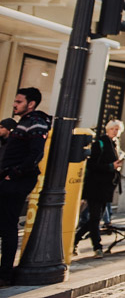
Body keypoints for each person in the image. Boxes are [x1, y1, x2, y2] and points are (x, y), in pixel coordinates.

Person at [0, 88, 51, 285]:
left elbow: (36, 154)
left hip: (16, 182)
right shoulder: (25, 122)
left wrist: (14, 174)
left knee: (9, 228)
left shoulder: (35, 122)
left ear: (30, 104)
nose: (14, 104)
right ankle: (4, 272)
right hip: (10, 180)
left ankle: (5, 274)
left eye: (18, 101)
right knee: (6, 226)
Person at [74, 120, 124, 258]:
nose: (115, 131)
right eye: (113, 128)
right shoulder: (100, 144)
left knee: (96, 218)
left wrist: (115, 166)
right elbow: (91, 165)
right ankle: (97, 247)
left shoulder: (115, 145)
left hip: (106, 187)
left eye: (117, 129)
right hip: (95, 186)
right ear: (107, 129)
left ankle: (75, 240)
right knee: (95, 217)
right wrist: (110, 167)